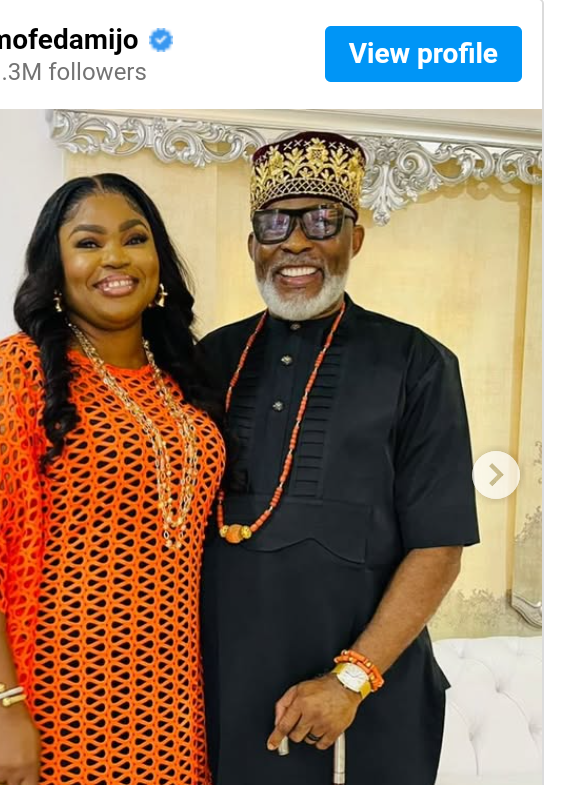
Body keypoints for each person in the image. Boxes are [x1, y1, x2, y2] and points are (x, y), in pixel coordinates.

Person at [0, 174, 225, 785]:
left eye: (134, 238)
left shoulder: (184, 381)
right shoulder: (16, 369)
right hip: (52, 694)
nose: (115, 258)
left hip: (169, 699)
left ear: (158, 258)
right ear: (56, 267)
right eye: (88, 242)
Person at [199, 131, 480, 785]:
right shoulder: (210, 360)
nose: (296, 242)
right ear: (252, 245)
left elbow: (439, 546)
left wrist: (351, 680)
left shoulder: (417, 362)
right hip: (225, 694)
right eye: (275, 223)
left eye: (321, 220)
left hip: (362, 704)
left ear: (355, 238)